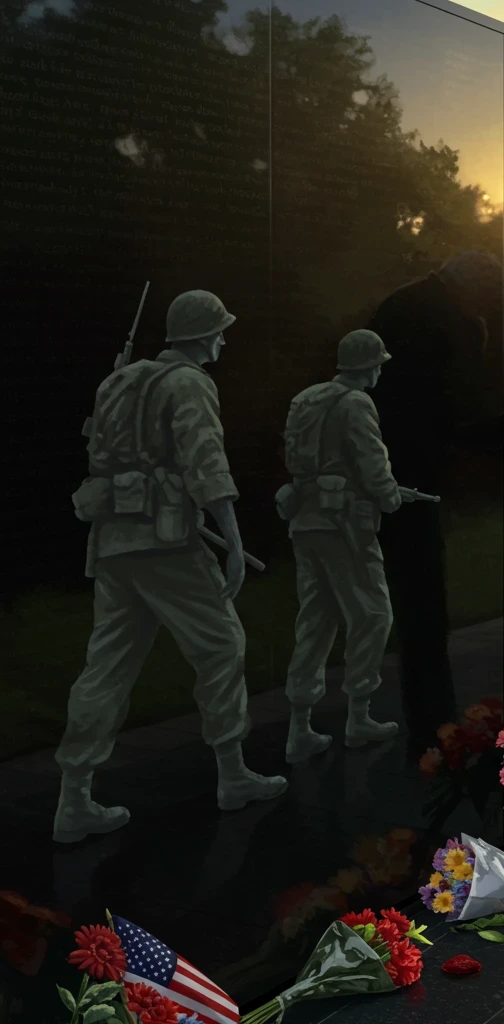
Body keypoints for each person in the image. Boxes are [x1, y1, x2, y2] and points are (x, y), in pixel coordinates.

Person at [56, 290, 288, 844]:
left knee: (106, 665)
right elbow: (206, 463)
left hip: (114, 544)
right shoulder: (189, 383)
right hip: (165, 545)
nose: (225, 339)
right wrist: (232, 540)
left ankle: (73, 800)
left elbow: (102, 453)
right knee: (222, 644)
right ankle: (232, 776)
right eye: (220, 330)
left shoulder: (119, 381)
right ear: (203, 335)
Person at [367, 251, 504, 757]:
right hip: (404, 478)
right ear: (471, 286)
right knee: (417, 603)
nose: (488, 304)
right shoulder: (441, 318)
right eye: (487, 293)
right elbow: (456, 410)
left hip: (400, 471)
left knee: (407, 605)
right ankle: (433, 728)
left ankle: (431, 720)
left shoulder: (415, 307)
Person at [277, 329, 411, 760]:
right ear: (368, 366)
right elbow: (372, 462)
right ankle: (359, 717)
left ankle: (299, 729)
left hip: (307, 521)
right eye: (377, 365)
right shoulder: (357, 403)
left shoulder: (306, 398)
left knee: (316, 620)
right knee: (372, 614)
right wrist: (390, 497)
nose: (378, 372)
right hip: (345, 526)